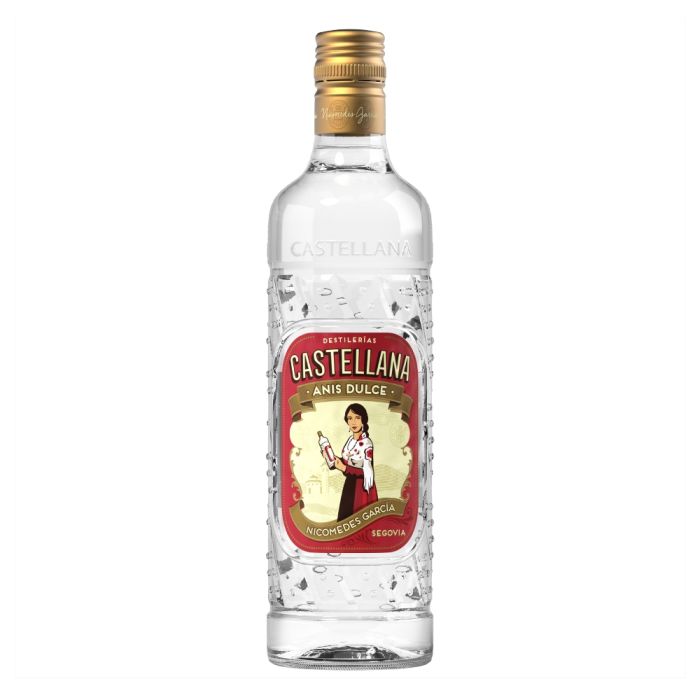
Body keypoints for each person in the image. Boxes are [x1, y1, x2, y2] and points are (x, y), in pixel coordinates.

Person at [332, 403, 378, 521]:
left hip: (362, 488)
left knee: (360, 520)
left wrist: (344, 468)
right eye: (350, 418)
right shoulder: (350, 441)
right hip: (350, 484)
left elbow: (366, 472)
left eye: (357, 418)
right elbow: (347, 462)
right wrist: (332, 458)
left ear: (363, 420)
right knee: (345, 520)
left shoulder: (367, 443)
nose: (353, 422)